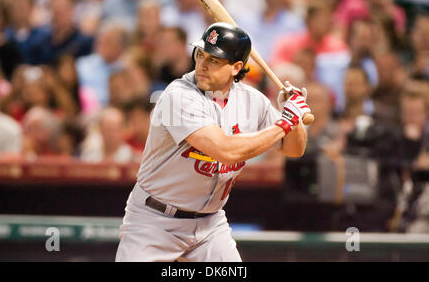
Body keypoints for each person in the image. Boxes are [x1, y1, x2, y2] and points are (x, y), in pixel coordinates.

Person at [115, 22, 311, 262]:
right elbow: (225, 150)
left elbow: (294, 148)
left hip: (210, 223)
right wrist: (284, 123)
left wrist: (293, 114)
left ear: (236, 67)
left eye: (214, 60)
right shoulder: (178, 96)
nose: (202, 66)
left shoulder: (252, 101)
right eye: (201, 55)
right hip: (154, 221)